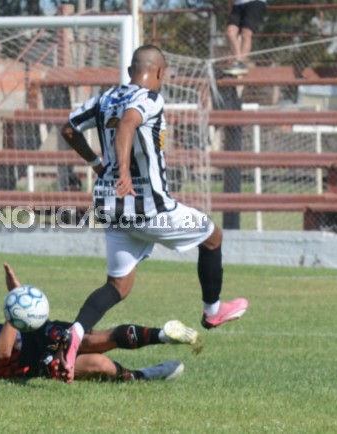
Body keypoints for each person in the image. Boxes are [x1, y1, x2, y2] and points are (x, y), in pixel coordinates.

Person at [59, 44, 248, 382]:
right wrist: (124, 173)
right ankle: (213, 311)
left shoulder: (105, 98)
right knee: (211, 236)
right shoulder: (150, 97)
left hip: (111, 207)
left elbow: (69, 128)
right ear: (159, 72)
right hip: (150, 207)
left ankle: (74, 333)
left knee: (118, 285)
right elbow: (128, 125)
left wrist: (98, 165)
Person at [0, 218, 202, 382]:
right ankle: (142, 376)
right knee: (97, 364)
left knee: (91, 339)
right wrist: (17, 306)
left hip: (30, 330)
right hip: (26, 363)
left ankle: (164, 335)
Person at [223, 0, 267, 76]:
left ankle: (239, 63)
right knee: (230, 32)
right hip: (237, 4)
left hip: (255, 3)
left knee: (246, 33)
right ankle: (238, 61)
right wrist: (230, 7)